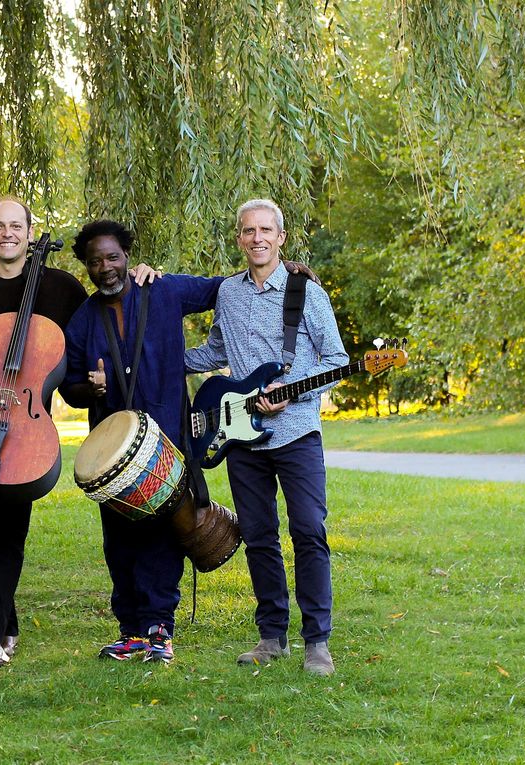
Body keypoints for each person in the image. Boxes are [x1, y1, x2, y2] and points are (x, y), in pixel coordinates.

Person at [0, 197, 156, 666]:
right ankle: (5, 621)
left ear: (29, 231)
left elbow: (103, 311)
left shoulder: (61, 288)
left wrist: (143, 275)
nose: (7, 234)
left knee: (12, 525)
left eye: (16, 226)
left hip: (26, 418)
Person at [185, 198, 348, 676]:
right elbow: (215, 351)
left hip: (297, 433)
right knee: (258, 537)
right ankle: (272, 637)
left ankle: (317, 642)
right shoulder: (228, 294)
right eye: (248, 231)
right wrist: (158, 358)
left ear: (280, 237)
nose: (257, 238)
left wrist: (292, 391)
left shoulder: (306, 292)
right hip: (242, 438)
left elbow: (337, 361)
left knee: (309, 531)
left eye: (265, 230)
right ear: (239, 238)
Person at [60, 220, 223, 664]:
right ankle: (130, 630)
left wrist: (284, 270)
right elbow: (69, 386)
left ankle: (158, 629)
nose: (105, 267)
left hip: (166, 442)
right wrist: (89, 389)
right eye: (95, 261)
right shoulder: (82, 320)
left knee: (162, 535)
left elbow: (222, 289)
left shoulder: (165, 291)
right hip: (113, 455)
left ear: (127, 256)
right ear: (86, 266)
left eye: (113, 257)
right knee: (119, 541)